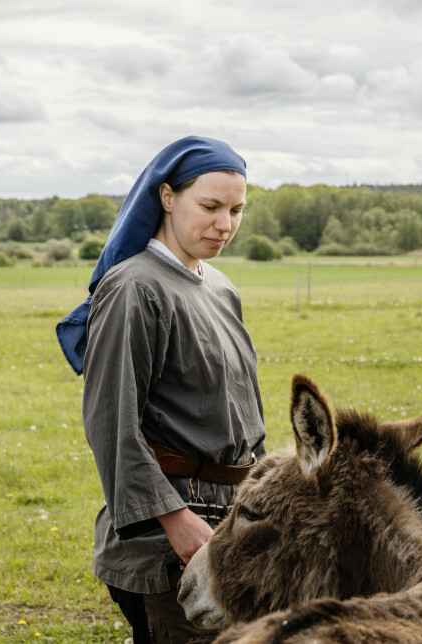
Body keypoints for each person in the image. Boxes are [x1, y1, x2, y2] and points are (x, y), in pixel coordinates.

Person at [56, 136, 266, 644]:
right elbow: (112, 425)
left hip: (234, 521)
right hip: (168, 534)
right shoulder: (135, 288)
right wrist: (175, 520)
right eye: (211, 207)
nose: (226, 224)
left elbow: (242, 416)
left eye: (237, 210)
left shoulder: (220, 287)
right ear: (167, 198)